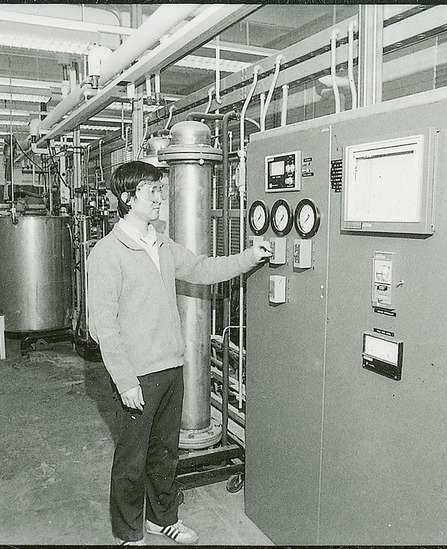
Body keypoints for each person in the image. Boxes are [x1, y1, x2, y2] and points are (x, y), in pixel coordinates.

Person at [87, 161, 271, 545]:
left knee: (164, 455)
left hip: (172, 366)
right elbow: (102, 326)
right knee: (132, 460)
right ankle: (128, 533)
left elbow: (201, 268)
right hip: (137, 375)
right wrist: (124, 381)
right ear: (126, 198)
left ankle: (162, 519)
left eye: (159, 188)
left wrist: (249, 257)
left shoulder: (162, 244)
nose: (158, 196)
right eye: (150, 190)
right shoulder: (107, 254)